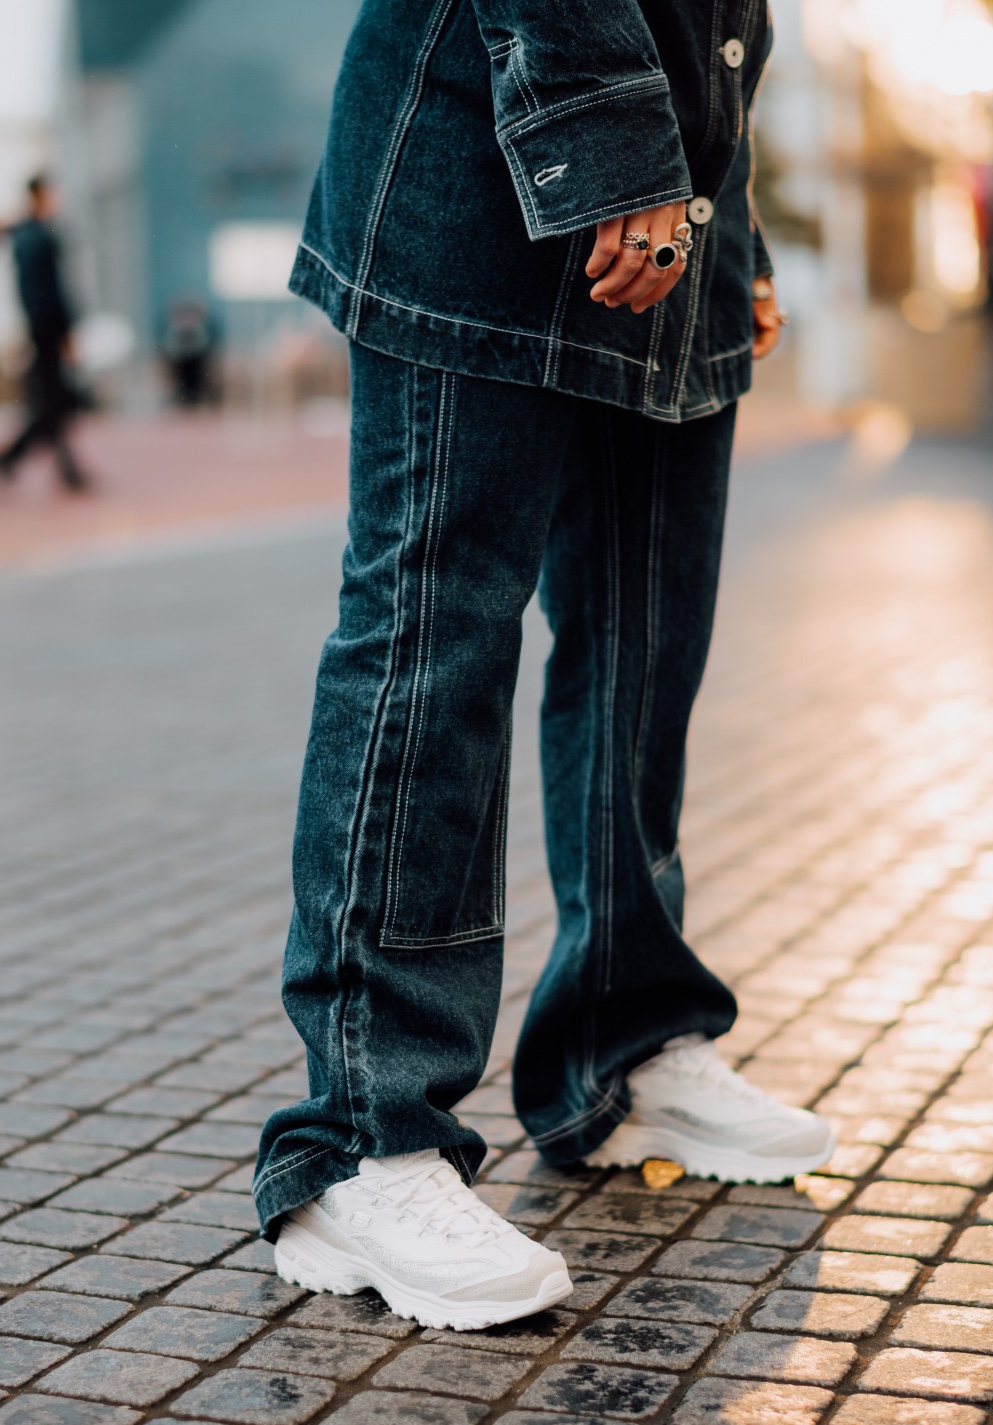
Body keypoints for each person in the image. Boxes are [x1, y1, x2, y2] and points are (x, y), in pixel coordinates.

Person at [255, 0, 834, 1331]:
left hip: (663, 225)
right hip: (484, 172)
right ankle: (359, 1136)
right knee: (432, 632)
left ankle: (617, 1047)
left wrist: (720, 214)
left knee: (648, 634)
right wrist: (625, 159)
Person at [0, 174, 88, 492]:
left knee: (53, 402)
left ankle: (66, 469)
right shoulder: (39, 238)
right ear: (42, 195)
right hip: (46, 333)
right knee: (52, 402)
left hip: (40, 331)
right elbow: (49, 293)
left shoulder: (26, 235)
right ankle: (12, 459)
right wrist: (65, 334)